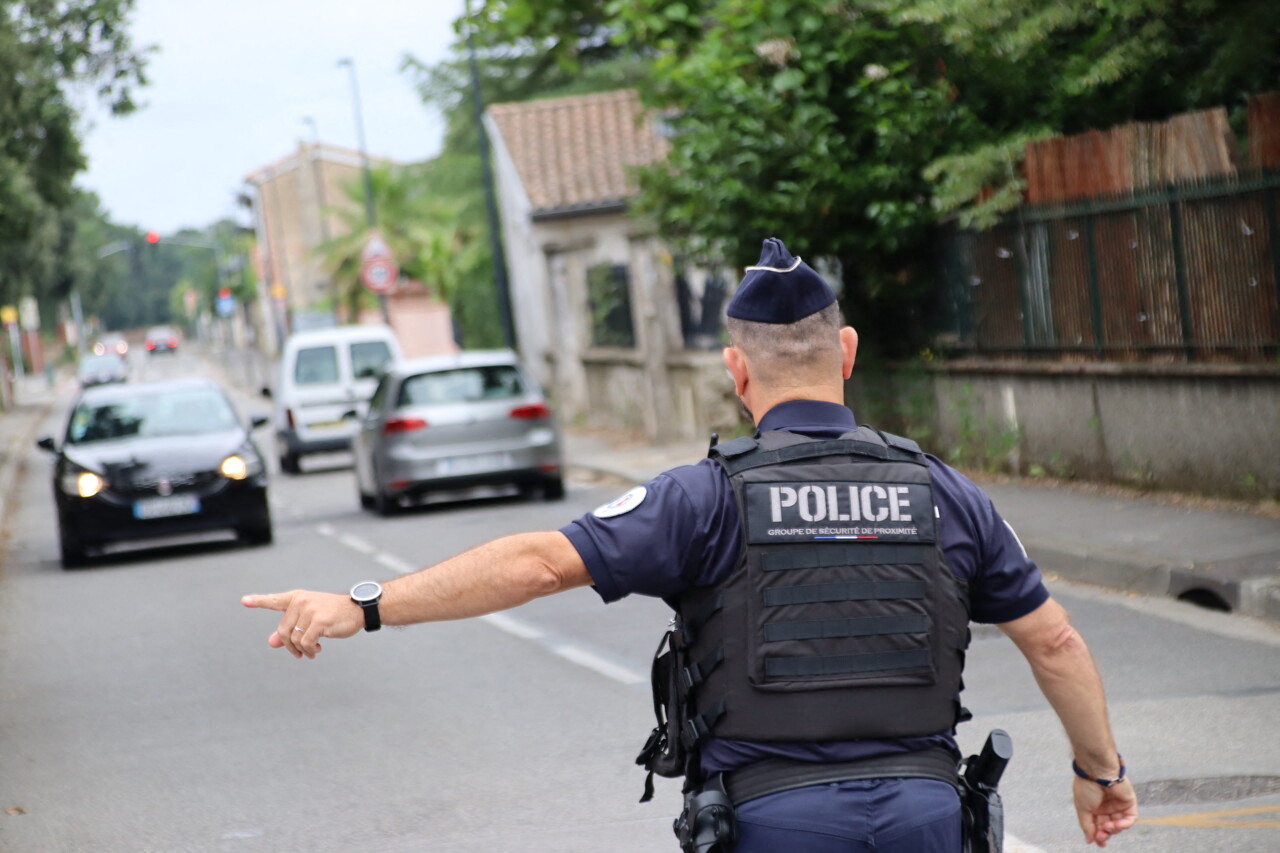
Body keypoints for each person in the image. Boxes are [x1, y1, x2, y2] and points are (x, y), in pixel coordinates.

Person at [243, 238, 1138, 851]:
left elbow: (538, 562)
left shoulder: (702, 498)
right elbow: (1054, 639)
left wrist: (365, 605)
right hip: (925, 815)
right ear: (849, 352)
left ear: (736, 369)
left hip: (775, 823)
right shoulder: (947, 493)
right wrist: (1100, 769)